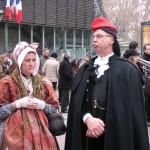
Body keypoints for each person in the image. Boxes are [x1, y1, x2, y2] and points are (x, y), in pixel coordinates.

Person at [65, 16, 149, 150]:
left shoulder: (128, 71)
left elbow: (134, 115)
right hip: (87, 135)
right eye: (94, 36)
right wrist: (88, 119)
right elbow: (77, 103)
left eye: (99, 36)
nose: (94, 39)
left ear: (111, 39)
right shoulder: (85, 69)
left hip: (117, 138)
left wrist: (101, 126)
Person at [0, 42, 60, 149]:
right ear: (19, 62)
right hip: (15, 135)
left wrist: (42, 105)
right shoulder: (7, 83)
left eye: (33, 60)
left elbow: (55, 109)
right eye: (27, 60)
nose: (31, 64)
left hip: (42, 132)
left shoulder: (43, 83)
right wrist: (16, 104)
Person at [140, 43, 150, 125]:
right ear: (144, 50)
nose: (149, 50)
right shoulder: (141, 60)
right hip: (146, 84)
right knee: (145, 102)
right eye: (148, 49)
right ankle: (146, 119)